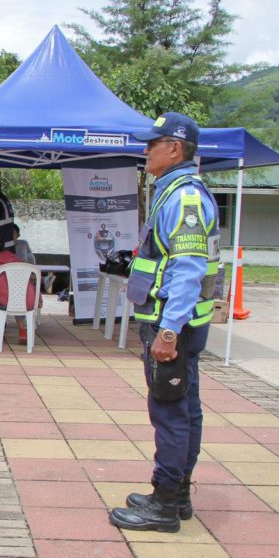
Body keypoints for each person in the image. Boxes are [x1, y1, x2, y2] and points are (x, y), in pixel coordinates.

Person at [108, 112, 220, 534]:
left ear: (174, 149)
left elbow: (189, 269)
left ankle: (165, 503)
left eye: (152, 144)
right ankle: (179, 493)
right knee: (185, 410)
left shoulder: (184, 199)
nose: (145, 150)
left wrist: (169, 331)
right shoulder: (173, 191)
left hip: (174, 326)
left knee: (171, 412)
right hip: (180, 323)